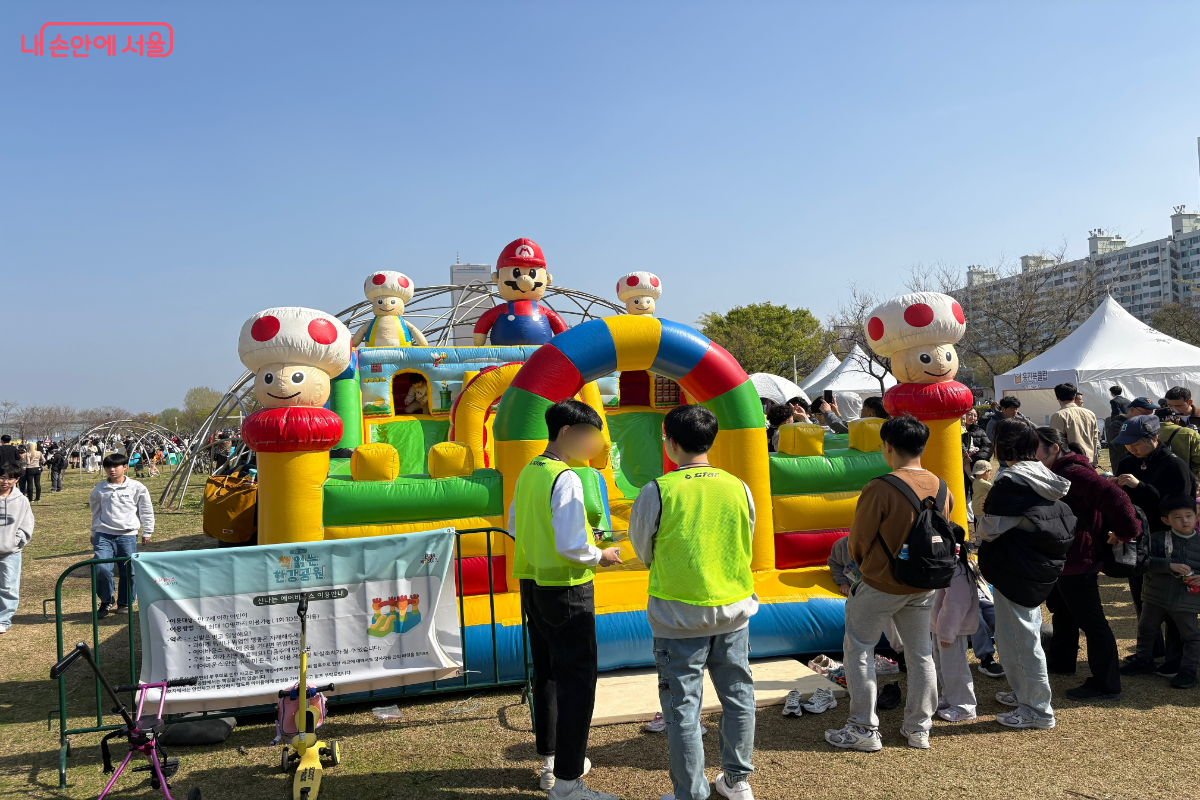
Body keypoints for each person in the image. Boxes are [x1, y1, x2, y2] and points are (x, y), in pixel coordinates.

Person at [629, 405, 758, 800]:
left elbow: (642, 547)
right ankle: (737, 781)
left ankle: (691, 792)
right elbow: (746, 537)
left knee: (683, 708)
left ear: (669, 442)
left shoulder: (658, 489)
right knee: (738, 696)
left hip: (677, 616)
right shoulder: (738, 485)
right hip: (733, 609)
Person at [509, 400, 621, 800]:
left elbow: (513, 525)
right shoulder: (567, 477)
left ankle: (551, 761)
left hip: (533, 584)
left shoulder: (529, 471)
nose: (593, 444)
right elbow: (574, 545)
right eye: (590, 435)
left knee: (548, 674)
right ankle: (569, 781)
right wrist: (601, 554)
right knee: (577, 682)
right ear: (568, 432)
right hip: (568, 589)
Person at [824, 414, 943, 752]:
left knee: (859, 648)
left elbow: (857, 541)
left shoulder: (880, 487)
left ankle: (863, 726)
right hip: (923, 584)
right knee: (921, 654)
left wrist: (864, 569)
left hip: (880, 583)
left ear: (887, 447)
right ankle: (918, 728)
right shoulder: (942, 485)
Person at [977, 418, 1076, 730]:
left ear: (1000, 447)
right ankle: (1025, 694)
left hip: (1016, 567)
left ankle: (1037, 710)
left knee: (1020, 639)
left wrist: (982, 520)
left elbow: (991, 528)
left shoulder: (1011, 481)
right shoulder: (1044, 474)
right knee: (1015, 634)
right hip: (1035, 564)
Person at [1035, 427, 1139, 701]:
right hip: (1065, 556)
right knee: (1062, 610)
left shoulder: (1074, 473)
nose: (1032, 454)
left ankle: (1105, 683)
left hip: (1079, 557)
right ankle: (1062, 662)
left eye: (1036, 448)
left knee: (1091, 621)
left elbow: (1115, 496)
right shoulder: (1059, 471)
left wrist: (1127, 531)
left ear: (1054, 448)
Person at [1113, 413, 1195, 673]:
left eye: (1136, 443)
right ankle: (1149, 651)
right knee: (1142, 595)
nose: (1130, 448)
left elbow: (1180, 507)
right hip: (1138, 537)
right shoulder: (1127, 461)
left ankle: (1175, 659)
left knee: (1173, 601)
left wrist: (1141, 487)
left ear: (1154, 438)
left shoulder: (1175, 465)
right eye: (1127, 443)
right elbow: (1123, 502)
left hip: (1168, 538)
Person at [1120, 495, 1200, 689]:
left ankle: (1188, 670)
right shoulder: (1157, 538)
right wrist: (1169, 565)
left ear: (1197, 517)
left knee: (1191, 636)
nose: (1185, 521)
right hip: (1155, 596)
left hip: (1186, 600)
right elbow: (1145, 562)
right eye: (1177, 517)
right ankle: (1143, 660)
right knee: (1146, 629)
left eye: (1189, 515)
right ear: (1166, 520)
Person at [89, 454, 155, 619]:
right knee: (101, 568)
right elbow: (96, 513)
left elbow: (146, 510)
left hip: (127, 535)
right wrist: (94, 531)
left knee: (128, 571)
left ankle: (125, 602)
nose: (112, 470)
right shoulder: (99, 489)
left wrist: (147, 531)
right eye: (108, 467)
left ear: (125, 466)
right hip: (104, 534)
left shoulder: (136, 487)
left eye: (116, 466)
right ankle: (106, 600)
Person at [827, 533, 905, 657]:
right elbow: (834, 563)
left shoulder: (881, 542)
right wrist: (842, 583)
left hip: (882, 588)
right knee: (856, 620)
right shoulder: (842, 544)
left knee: (888, 619)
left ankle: (901, 650)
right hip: (859, 589)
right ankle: (857, 654)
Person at [930, 547, 979, 722]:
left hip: (952, 630)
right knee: (942, 665)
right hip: (939, 626)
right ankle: (950, 697)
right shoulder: (945, 565)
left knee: (955, 667)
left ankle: (965, 706)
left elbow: (955, 606)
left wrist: (947, 633)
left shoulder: (957, 570)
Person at [0, 462, 34, 634]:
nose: (5, 481)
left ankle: (3, 619)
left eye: (10, 478)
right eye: (2, 477)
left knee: (9, 586)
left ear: (17, 479)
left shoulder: (21, 501)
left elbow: (27, 523)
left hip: (10, 552)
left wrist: (17, 541)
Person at [1048, 383, 1099, 466]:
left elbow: (1055, 441)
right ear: (1074, 397)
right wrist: (1095, 460)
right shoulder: (1090, 414)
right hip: (1089, 459)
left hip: (1070, 461)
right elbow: (1095, 438)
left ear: (1057, 397)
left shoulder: (1059, 415)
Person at [1157, 411, 1200, 485]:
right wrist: (1192, 476)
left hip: (1154, 480)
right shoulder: (1189, 433)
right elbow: (1198, 458)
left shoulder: (1148, 432)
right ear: (1177, 420)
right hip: (1183, 481)